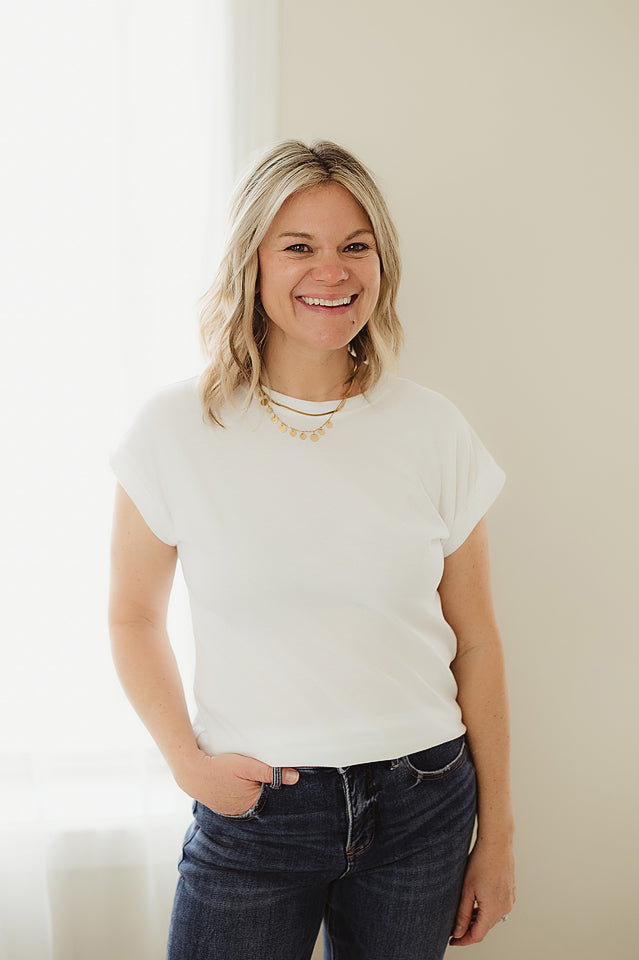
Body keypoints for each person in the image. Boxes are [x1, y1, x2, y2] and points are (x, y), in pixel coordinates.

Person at [108, 139, 516, 960]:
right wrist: (186, 763)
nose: (331, 271)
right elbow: (132, 617)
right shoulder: (176, 429)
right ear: (251, 263)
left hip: (423, 803)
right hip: (255, 811)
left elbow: (474, 640)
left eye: (354, 246)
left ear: (380, 263)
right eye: (298, 246)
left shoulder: (432, 429)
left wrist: (498, 838)